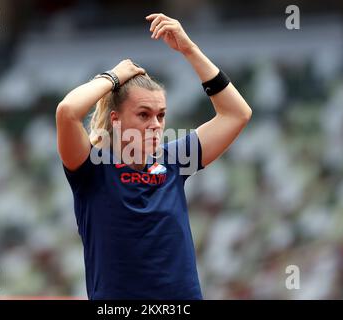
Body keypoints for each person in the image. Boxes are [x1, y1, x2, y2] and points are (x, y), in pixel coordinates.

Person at [56, 13, 252, 300]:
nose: (156, 125)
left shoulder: (174, 160)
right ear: (116, 119)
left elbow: (237, 113)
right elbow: (67, 112)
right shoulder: (91, 168)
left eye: (161, 115)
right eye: (144, 114)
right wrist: (113, 78)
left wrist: (190, 50)